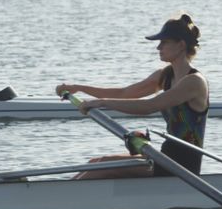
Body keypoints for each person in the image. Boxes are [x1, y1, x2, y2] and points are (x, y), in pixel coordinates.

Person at [56, 13, 208, 180]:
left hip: (183, 168)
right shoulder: (164, 76)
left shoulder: (194, 82)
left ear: (181, 45)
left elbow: (149, 106)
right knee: (96, 162)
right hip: (165, 158)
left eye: (164, 42)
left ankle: (56, 201)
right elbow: (124, 93)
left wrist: (100, 103)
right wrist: (78, 87)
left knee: (104, 167)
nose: (158, 47)